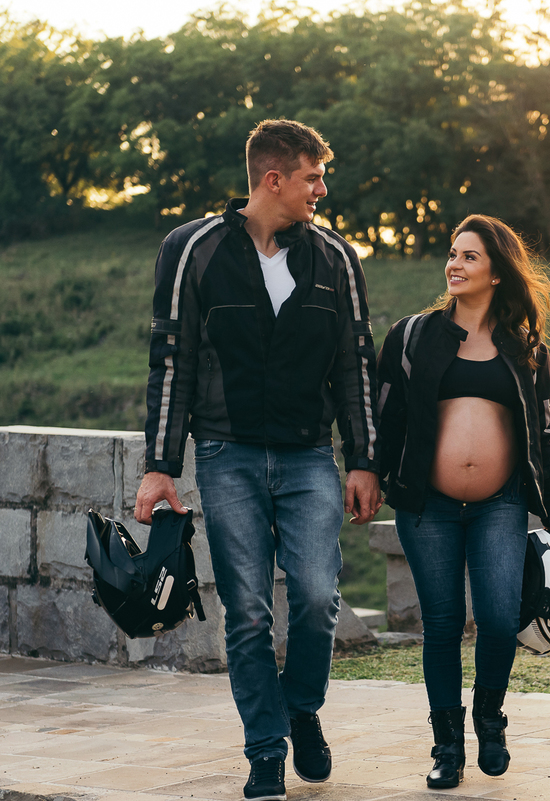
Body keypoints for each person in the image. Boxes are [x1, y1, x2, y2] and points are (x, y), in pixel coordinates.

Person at [134, 119, 381, 801]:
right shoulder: (192, 249)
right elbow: (171, 359)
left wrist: (364, 458)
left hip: (309, 457)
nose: (321, 191)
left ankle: (301, 708)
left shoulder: (336, 257)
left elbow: (355, 363)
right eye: (312, 178)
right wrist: (161, 463)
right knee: (245, 611)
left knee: (316, 596)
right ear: (274, 179)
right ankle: (266, 749)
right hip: (227, 454)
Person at [375, 214, 550, 789]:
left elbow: (542, 431)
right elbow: (386, 415)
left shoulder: (525, 347)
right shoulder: (412, 336)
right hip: (428, 507)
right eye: (453, 254)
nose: (455, 265)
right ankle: (447, 747)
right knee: (440, 625)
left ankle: (490, 718)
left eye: (470, 256)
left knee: (497, 617)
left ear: (497, 272)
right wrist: (372, 476)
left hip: (500, 504)